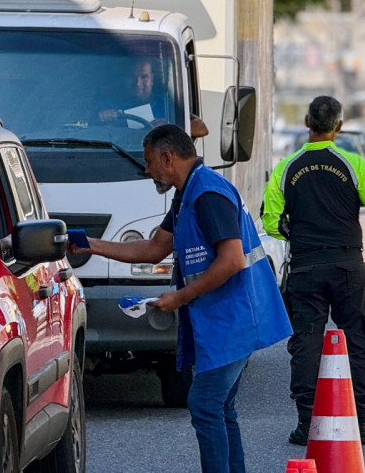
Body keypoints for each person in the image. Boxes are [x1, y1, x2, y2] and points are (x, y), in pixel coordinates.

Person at [70, 124, 290, 473]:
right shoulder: (188, 193)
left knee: (205, 404)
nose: (147, 170)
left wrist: (180, 297)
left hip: (234, 319)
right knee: (220, 408)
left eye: (149, 162)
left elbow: (231, 260)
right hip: (227, 318)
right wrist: (90, 245)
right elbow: (155, 248)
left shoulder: (207, 194)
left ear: (167, 157)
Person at [262, 96, 365, 446]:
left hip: (306, 265)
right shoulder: (355, 164)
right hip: (348, 264)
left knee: (306, 340)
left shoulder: (286, 167)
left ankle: (307, 423)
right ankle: (363, 422)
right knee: (358, 336)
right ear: (338, 126)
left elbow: (270, 222)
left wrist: (297, 230)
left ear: (307, 121)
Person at [99, 58, 210, 138]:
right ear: (124, 79)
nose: (137, 83)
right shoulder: (111, 104)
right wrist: (104, 117)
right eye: (132, 77)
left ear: (152, 79)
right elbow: (86, 127)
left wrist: (168, 127)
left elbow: (201, 129)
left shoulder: (166, 104)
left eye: (144, 77)